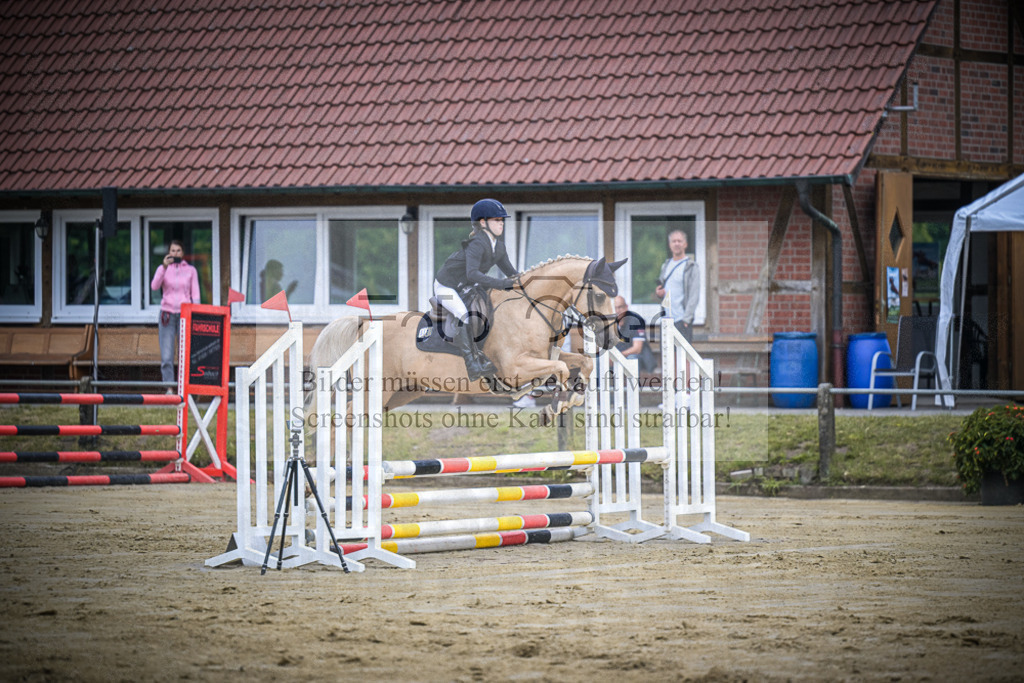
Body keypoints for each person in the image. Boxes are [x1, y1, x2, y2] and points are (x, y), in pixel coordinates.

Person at [434, 198, 518, 381]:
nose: (501, 223)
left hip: (467, 287)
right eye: (497, 220)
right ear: (483, 222)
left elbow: (511, 273)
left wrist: (527, 283)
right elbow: (472, 274)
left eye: (502, 220)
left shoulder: (499, 247)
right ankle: (472, 364)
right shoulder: (477, 244)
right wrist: (502, 284)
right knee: (463, 314)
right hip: (446, 285)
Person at [150, 240, 199, 386]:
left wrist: (195, 313)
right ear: (168, 252)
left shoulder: (191, 270)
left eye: (178, 251)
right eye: (172, 251)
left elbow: (195, 294)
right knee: (167, 355)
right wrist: (163, 268)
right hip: (167, 314)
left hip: (185, 314)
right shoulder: (163, 269)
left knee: (184, 353)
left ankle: (184, 386)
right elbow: (154, 286)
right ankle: (169, 388)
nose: (175, 253)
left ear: (182, 253)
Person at [655, 228, 699, 342]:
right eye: (674, 241)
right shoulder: (665, 265)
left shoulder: (691, 266)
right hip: (666, 320)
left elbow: (694, 295)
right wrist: (659, 293)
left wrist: (686, 320)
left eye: (679, 241)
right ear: (670, 245)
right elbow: (662, 290)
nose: (677, 244)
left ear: (685, 244)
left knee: (684, 358)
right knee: (667, 358)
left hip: (681, 320)